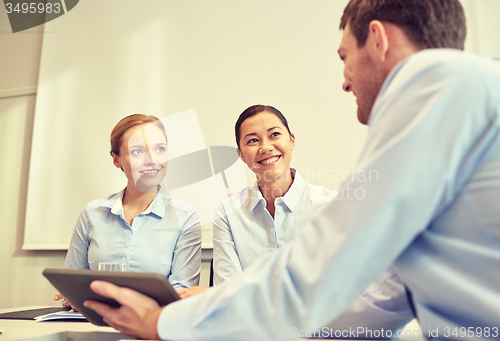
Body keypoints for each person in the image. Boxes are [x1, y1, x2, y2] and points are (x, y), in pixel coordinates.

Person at [85, 0, 500, 340]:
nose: (345, 80)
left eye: (344, 58)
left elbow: (316, 273)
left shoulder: (434, 83)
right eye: (251, 141)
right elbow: (378, 301)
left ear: (378, 39)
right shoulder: (464, 97)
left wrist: (163, 324)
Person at [178, 104, 413, 332]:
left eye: (274, 135)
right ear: (241, 155)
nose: (265, 146)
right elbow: (227, 288)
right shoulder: (228, 209)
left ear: (291, 140)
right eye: (252, 140)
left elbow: (330, 293)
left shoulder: (330, 205)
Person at [55, 114, 201, 307]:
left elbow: (183, 292)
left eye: (160, 149)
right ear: (116, 160)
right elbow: (72, 283)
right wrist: (72, 297)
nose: (151, 160)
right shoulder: (92, 213)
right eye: (137, 151)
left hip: (153, 326)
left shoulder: (186, 217)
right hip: (94, 322)